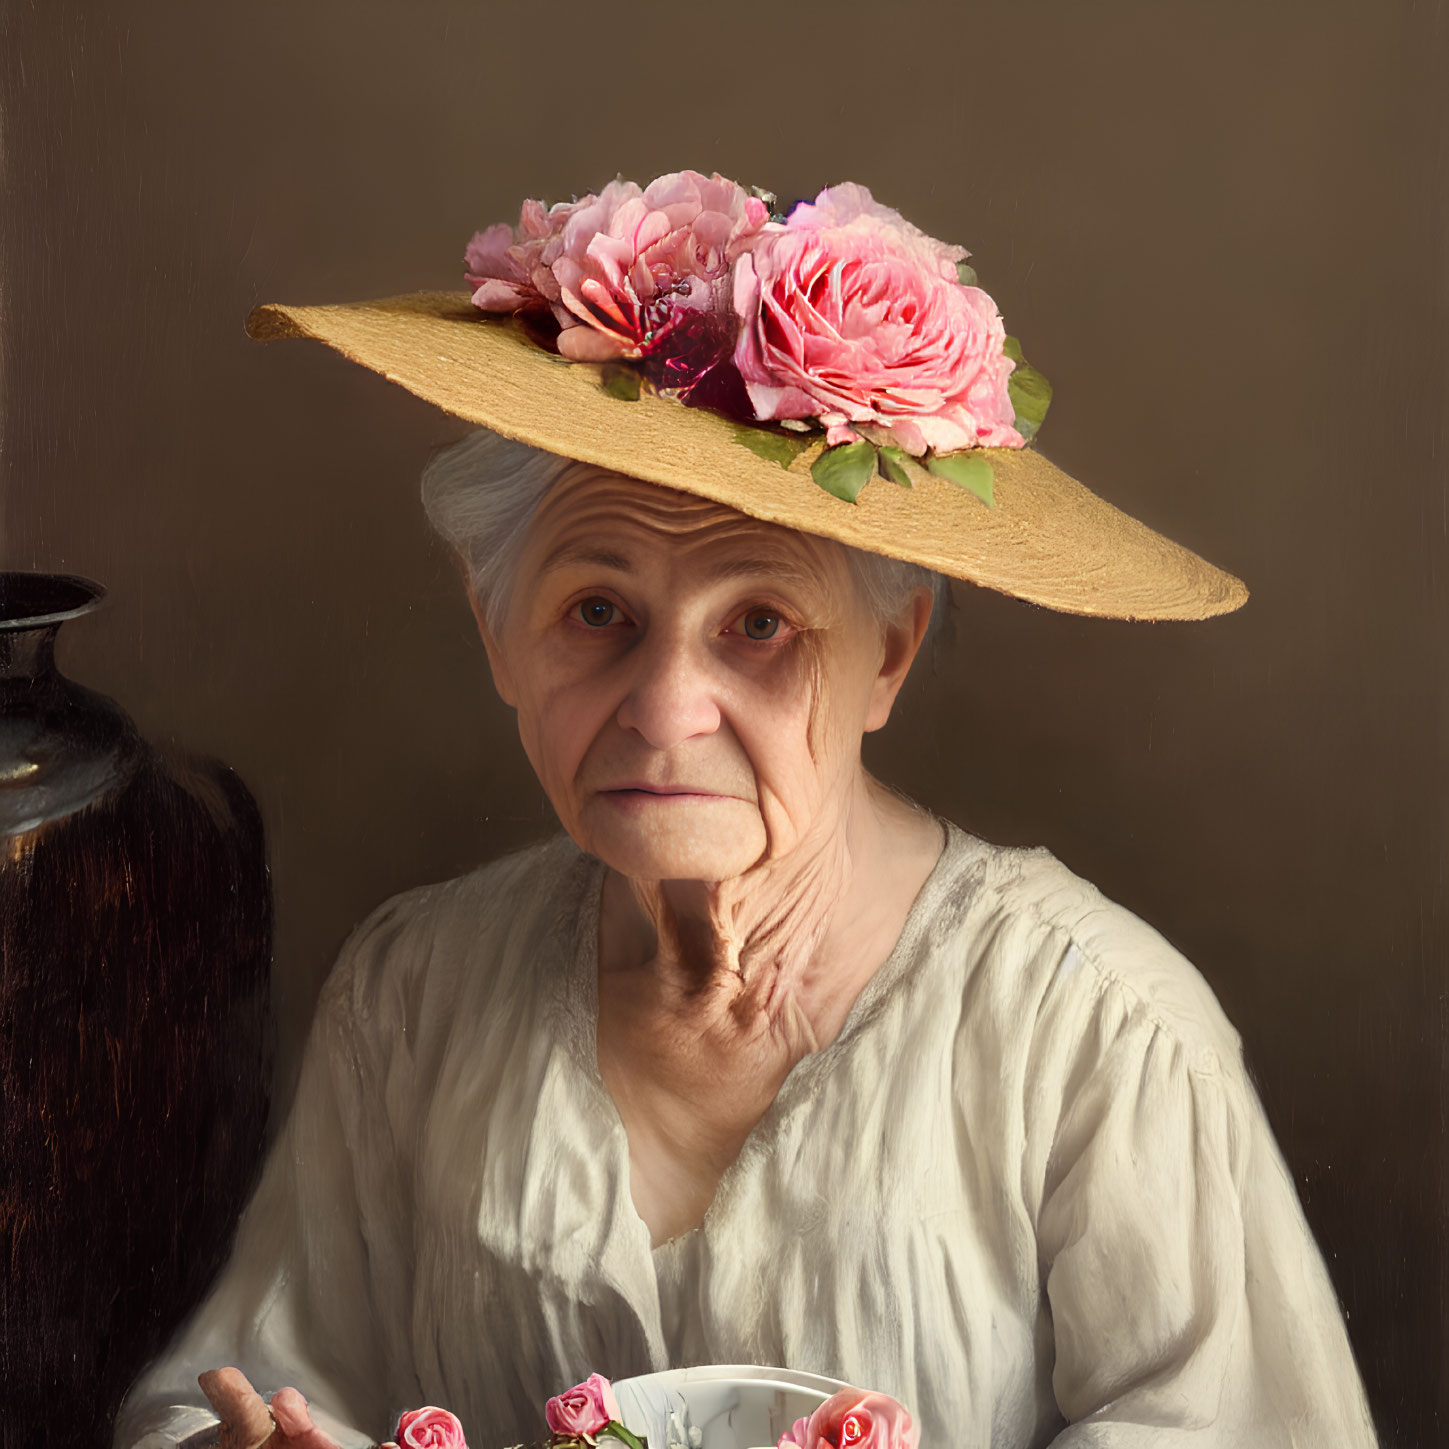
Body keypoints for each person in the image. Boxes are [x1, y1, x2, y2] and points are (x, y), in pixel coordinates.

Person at [114, 172, 1377, 1449]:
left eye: (760, 625)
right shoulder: (413, 993)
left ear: (888, 657)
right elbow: (245, 1382)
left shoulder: (1099, 1034)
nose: (666, 710)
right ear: (497, 635)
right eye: (597, 612)